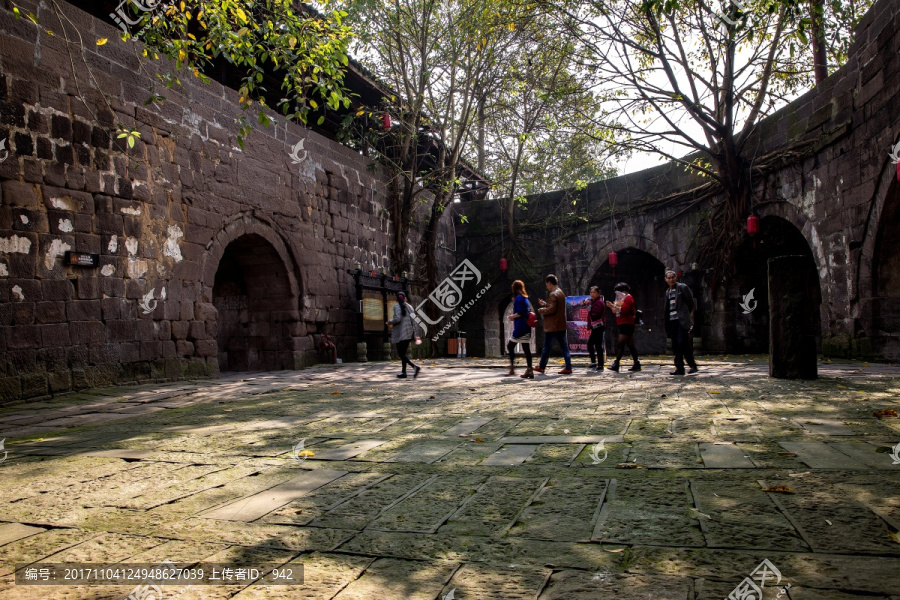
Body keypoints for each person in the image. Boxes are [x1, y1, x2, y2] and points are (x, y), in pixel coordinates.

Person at [534, 274, 572, 375]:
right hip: (560, 325)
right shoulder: (560, 293)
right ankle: (568, 366)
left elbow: (552, 309)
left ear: (549, 283)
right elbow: (554, 306)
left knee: (547, 347)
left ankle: (542, 366)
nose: (547, 287)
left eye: (547, 285)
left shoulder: (553, 294)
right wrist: (545, 304)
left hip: (553, 326)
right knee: (564, 347)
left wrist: (542, 309)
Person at [664, 270, 699, 375]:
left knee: (683, 343)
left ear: (676, 278)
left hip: (681, 320)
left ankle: (692, 365)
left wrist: (688, 317)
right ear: (666, 279)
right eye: (669, 278)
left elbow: (691, 302)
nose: (671, 279)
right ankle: (679, 367)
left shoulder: (682, 287)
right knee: (675, 344)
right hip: (672, 320)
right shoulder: (667, 291)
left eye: (672, 277)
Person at [606, 282, 640, 372]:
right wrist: (611, 306)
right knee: (630, 344)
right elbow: (616, 311)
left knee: (620, 343)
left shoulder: (628, 298)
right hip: (622, 322)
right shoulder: (621, 299)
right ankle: (636, 363)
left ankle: (616, 363)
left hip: (627, 323)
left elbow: (624, 310)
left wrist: (614, 306)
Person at [386, 292, 420, 379]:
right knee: (403, 353)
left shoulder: (397, 306)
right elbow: (414, 321)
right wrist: (415, 334)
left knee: (401, 354)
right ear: (405, 298)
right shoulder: (410, 307)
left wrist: (390, 321)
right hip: (408, 333)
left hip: (400, 333)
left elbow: (397, 319)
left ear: (397, 299)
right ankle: (404, 372)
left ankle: (414, 367)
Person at [505, 280, 534, 379]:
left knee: (510, 346)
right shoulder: (525, 298)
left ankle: (512, 368)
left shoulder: (518, 298)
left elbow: (521, 312)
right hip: (526, 327)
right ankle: (529, 369)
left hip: (520, 327)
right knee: (526, 349)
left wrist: (513, 316)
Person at [580, 286, 606, 371]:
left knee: (596, 345)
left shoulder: (599, 302)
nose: (592, 294)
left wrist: (589, 307)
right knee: (592, 344)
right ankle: (595, 362)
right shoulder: (594, 301)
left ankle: (599, 364)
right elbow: (586, 302)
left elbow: (595, 314)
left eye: (594, 292)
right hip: (595, 327)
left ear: (599, 293)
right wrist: (586, 303)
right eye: (591, 292)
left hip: (598, 326)